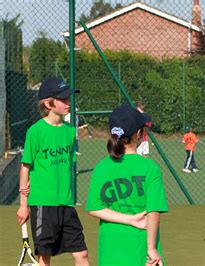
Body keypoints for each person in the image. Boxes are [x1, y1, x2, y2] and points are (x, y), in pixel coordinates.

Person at [16, 76, 89, 265]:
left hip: (66, 204)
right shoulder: (35, 132)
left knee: (82, 253)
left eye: (68, 98)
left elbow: (66, 167)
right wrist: (24, 205)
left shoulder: (69, 131)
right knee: (44, 257)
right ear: (49, 103)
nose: (68, 103)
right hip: (42, 205)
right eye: (63, 99)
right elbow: (26, 167)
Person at [86, 104, 168, 266]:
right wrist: (151, 248)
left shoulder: (101, 168)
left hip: (109, 253)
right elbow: (153, 211)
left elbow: (94, 208)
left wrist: (129, 219)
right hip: (140, 250)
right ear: (139, 133)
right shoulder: (149, 168)